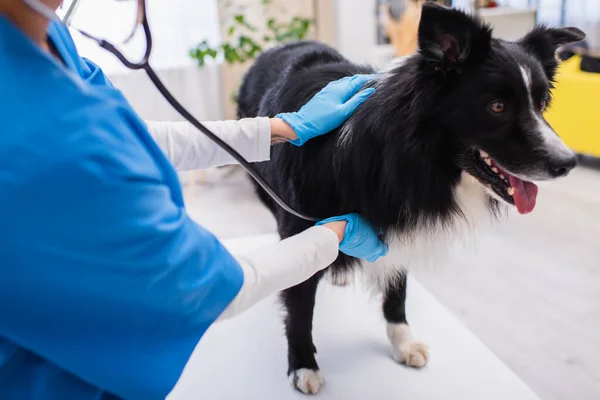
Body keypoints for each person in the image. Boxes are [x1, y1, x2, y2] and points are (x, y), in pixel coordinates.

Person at [0, 1, 388, 399]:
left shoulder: (46, 37)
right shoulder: (44, 153)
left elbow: (132, 134)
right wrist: (332, 237)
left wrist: (279, 128)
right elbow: (202, 289)